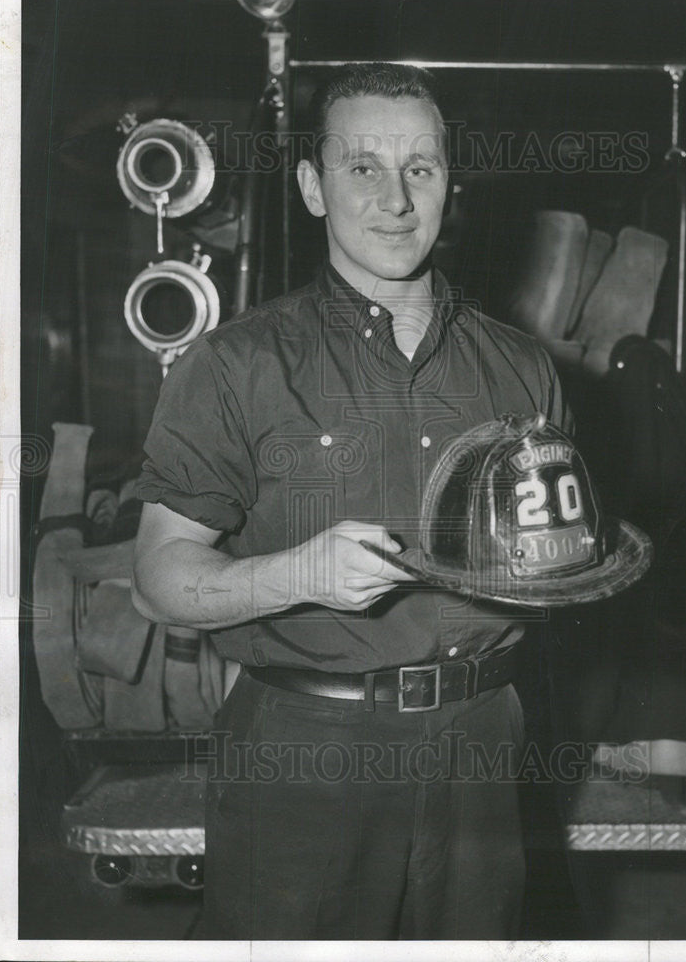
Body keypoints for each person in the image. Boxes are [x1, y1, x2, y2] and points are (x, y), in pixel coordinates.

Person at [132, 62, 570, 940]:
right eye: (363, 167)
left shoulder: (521, 368)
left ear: (452, 180)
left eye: (423, 167)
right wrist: (297, 575)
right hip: (306, 749)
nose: (397, 198)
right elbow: (157, 580)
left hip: (484, 742)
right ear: (312, 186)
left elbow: (556, 554)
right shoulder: (236, 365)